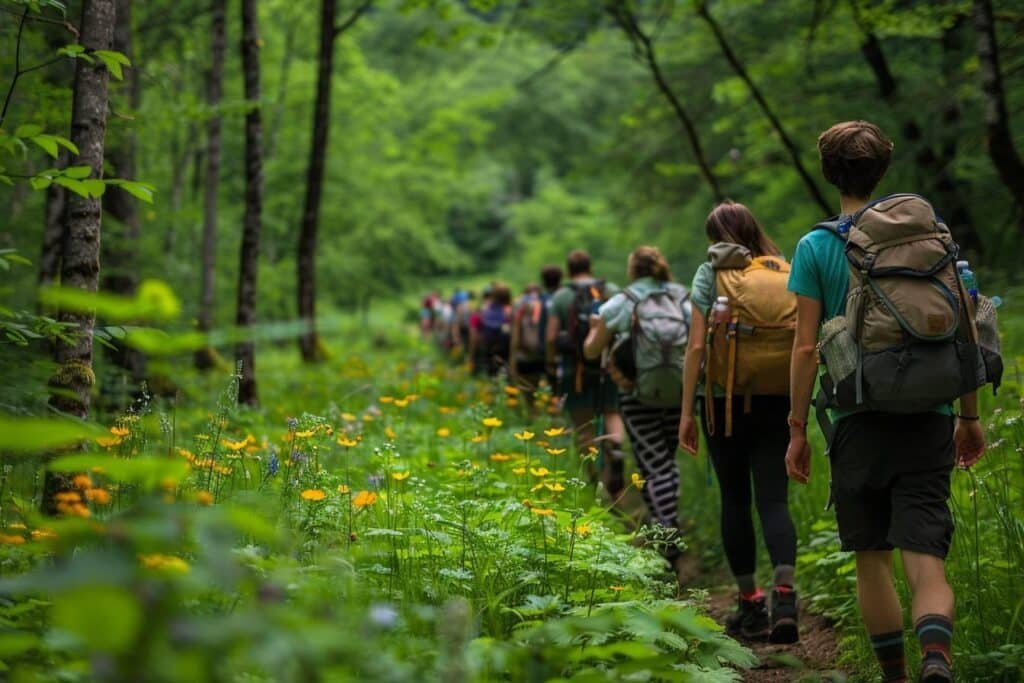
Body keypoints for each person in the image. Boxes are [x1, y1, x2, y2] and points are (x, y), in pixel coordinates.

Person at [785, 120, 987, 683]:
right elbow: (965, 330)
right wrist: (968, 417)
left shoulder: (816, 246)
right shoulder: (931, 237)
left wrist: (797, 428)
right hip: (930, 415)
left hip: (856, 419)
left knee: (872, 557)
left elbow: (804, 348)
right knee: (927, 559)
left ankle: (896, 676)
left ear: (829, 172)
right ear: (883, 169)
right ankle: (936, 658)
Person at [678, 201, 799, 643]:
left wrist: (687, 411)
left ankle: (751, 604)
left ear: (716, 239)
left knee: (734, 499)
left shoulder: (710, 273)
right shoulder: (782, 268)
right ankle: (785, 592)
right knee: (774, 500)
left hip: (724, 402)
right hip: (779, 399)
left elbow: (695, 347)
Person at [583, 246, 690, 580]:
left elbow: (591, 351)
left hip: (635, 394)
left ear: (633, 269)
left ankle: (667, 531)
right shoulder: (681, 296)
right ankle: (663, 522)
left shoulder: (622, 301)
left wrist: (596, 327)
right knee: (661, 462)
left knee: (655, 463)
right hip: (678, 392)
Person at [546, 250, 625, 497]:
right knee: (611, 411)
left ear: (569, 270)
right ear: (590, 267)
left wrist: (551, 365)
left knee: (583, 427)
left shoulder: (561, 296)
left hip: (575, 368)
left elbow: (550, 337)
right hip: (608, 364)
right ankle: (617, 447)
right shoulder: (610, 289)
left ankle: (593, 482)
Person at [509, 284, 547, 411]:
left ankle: (530, 416)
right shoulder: (545, 303)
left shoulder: (520, 306)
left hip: (523, 356)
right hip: (542, 355)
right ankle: (542, 416)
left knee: (527, 392)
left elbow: (515, 336)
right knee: (541, 390)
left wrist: (512, 359)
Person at [478, 283, 513, 378]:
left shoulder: (485, 309)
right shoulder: (509, 310)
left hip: (489, 347)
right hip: (506, 348)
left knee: (492, 373)